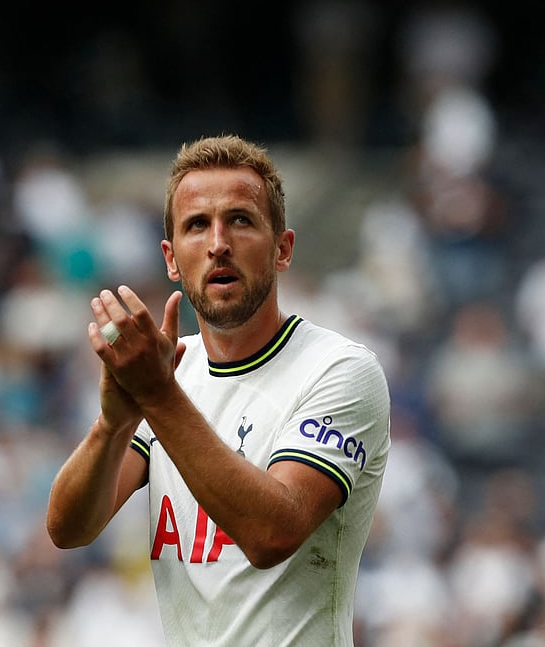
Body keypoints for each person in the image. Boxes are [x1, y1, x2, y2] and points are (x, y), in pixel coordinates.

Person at [46, 134, 391, 645]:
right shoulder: (170, 372)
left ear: (283, 249)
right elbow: (69, 530)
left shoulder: (339, 370)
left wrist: (157, 397)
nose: (217, 244)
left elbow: (273, 534)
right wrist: (113, 423)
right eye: (196, 225)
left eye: (241, 220)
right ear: (170, 258)